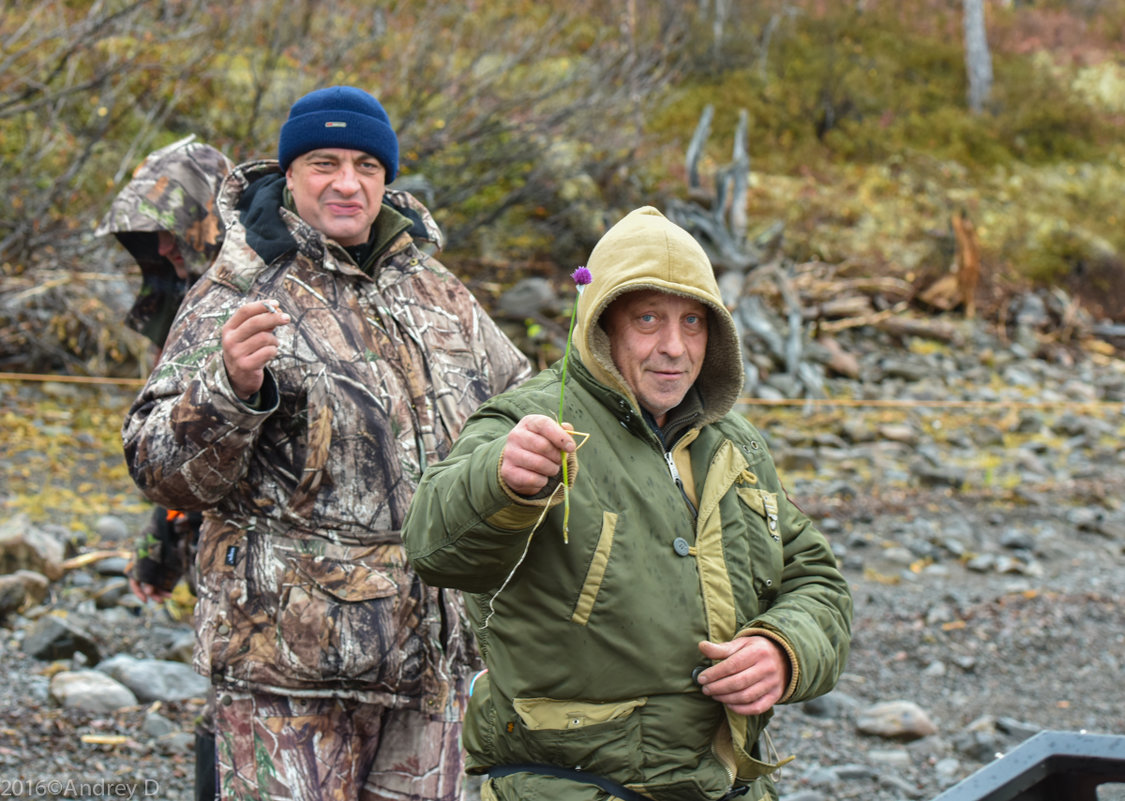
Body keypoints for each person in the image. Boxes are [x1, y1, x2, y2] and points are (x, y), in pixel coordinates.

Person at [121, 85, 532, 801]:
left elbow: (517, 403)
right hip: (287, 677)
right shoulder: (233, 290)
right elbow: (157, 466)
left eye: (366, 166)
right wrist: (227, 390)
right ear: (290, 173)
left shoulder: (437, 292)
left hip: (435, 672)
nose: (347, 183)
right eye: (324, 163)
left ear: (386, 178)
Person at [401, 206, 853, 801]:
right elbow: (434, 550)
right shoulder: (529, 419)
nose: (674, 346)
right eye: (647, 318)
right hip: (568, 785)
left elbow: (818, 582)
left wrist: (782, 649)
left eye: (693, 321)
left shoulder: (735, 446)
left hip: (725, 785)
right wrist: (500, 482)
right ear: (601, 323)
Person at [98, 134, 234, 801]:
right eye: (152, 238)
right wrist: (157, 551)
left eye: (172, 235)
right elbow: (168, 451)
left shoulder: (244, 295)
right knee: (219, 689)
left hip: (254, 538)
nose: (163, 251)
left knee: (231, 692)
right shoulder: (175, 300)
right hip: (203, 529)